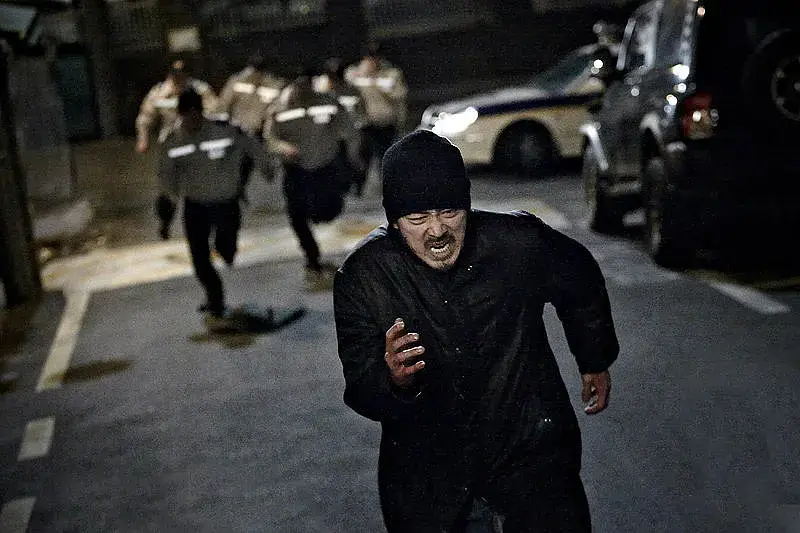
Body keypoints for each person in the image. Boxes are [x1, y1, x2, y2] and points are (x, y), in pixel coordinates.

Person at [333, 130, 619, 532]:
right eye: (418, 219)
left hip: (531, 455)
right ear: (395, 222)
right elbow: (361, 386)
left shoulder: (518, 243)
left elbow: (580, 278)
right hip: (431, 479)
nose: (437, 231)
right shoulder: (364, 277)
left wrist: (593, 358)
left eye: (449, 212)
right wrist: (393, 379)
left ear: (467, 207)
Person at [159, 88, 272, 320]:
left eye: (196, 115)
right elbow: (166, 180)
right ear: (181, 115)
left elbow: (253, 146)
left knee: (226, 248)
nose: (192, 121)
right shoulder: (172, 140)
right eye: (187, 116)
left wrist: (266, 168)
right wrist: (165, 217)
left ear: (201, 112)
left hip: (226, 203)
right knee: (200, 260)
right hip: (196, 206)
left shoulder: (225, 129)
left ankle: (226, 250)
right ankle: (215, 299)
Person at [264, 67, 361, 290]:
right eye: (299, 84)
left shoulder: (328, 102)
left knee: (328, 211)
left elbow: (348, 129)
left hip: (326, 168)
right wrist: (284, 148)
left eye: (307, 83)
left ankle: (321, 216)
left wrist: (353, 157)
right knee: (297, 216)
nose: (304, 89)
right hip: (297, 171)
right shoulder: (279, 108)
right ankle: (312, 258)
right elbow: (270, 139)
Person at [344, 41, 407, 196]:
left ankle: (387, 186)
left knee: (385, 155)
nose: (373, 60)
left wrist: (377, 83)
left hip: (385, 121)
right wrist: (363, 75)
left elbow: (400, 94)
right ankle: (358, 186)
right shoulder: (354, 73)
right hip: (364, 122)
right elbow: (346, 91)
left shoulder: (391, 74)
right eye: (370, 57)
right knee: (361, 155)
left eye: (375, 57)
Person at [135, 60, 218, 154]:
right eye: (175, 75)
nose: (178, 79)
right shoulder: (158, 92)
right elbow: (145, 117)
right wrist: (143, 138)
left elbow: (214, 113)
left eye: (181, 75)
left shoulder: (200, 90)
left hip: (196, 140)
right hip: (169, 139)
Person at [319, 57, 368, 195]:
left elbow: (361, 110)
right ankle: (340, 188)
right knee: (335, 162)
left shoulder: (352, 91)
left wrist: (360, 124)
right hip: (332, 135)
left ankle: (358, 184)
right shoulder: (323, 92)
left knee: (354, 159)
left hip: (351, 133)